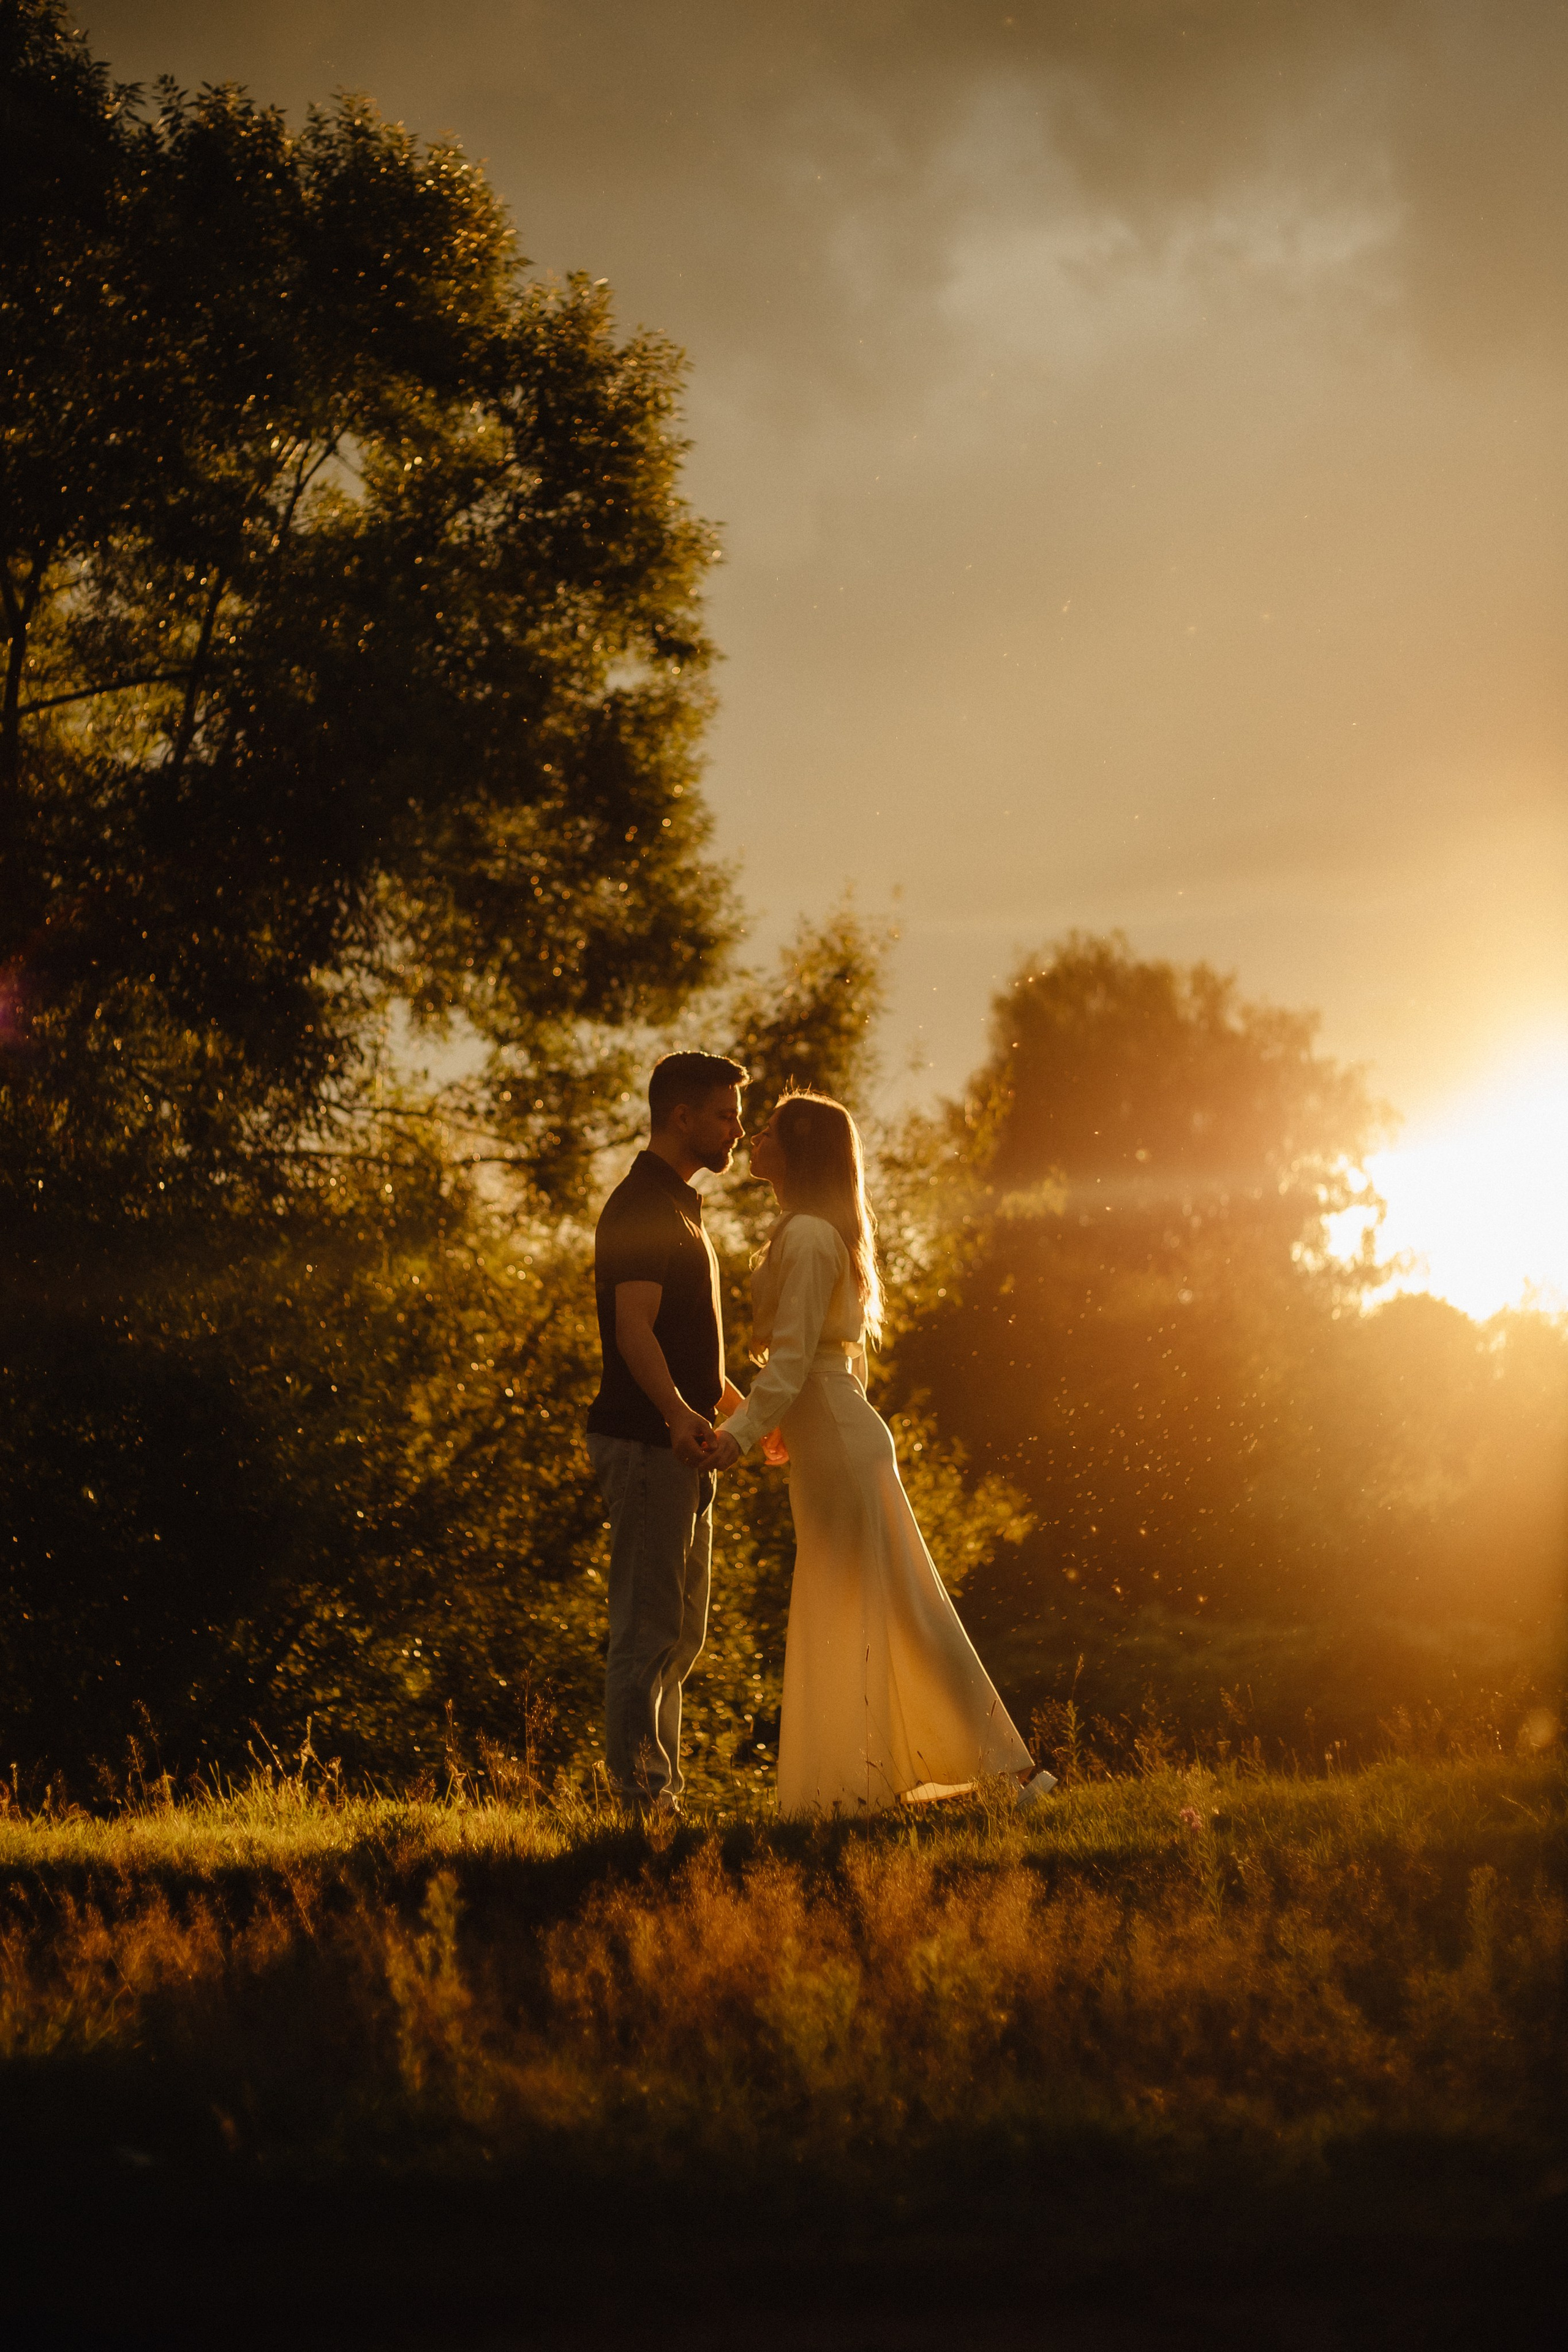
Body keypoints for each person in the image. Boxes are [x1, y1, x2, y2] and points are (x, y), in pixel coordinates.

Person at [706, 1090, 1055, 1815]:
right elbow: (836, 1362)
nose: (754, 1137)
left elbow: (797, 1358)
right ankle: (884, 1784)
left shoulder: (805, 1235)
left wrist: (736, 1437)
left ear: (796, 1151)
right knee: (882, 1608)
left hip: (837, 1441)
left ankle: (1009, 1777)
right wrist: (786, 1427)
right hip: (836, 1437)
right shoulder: (806, 1231)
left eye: (767, 1129)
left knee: (898, 1609)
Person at [586, 1052, 748, 1811]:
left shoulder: (681, 1204)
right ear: (681, 1118)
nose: (737, 1130)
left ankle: (660, 1796)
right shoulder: (643, 1204)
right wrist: (678, 1414)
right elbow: (633, 1331)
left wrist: (740, 1412)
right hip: (651, 1443)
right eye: (724, 1115)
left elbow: (687, 1342)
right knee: (647, 1630)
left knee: (680, 1636)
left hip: (683, 1442)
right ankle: (638, 1801)